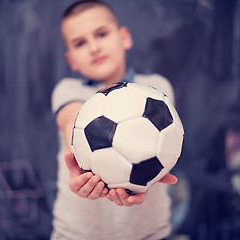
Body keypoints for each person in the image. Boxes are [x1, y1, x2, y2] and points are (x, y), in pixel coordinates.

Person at [51, 1, 179, 239]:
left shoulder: (156, 89)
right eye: (80, 43)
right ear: (72, 60)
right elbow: (72, 119)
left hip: (149, 233)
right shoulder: (67, 91)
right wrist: (79, 163)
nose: (93, 47)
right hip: (76, 235)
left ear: (124, 38)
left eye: (101, 34)